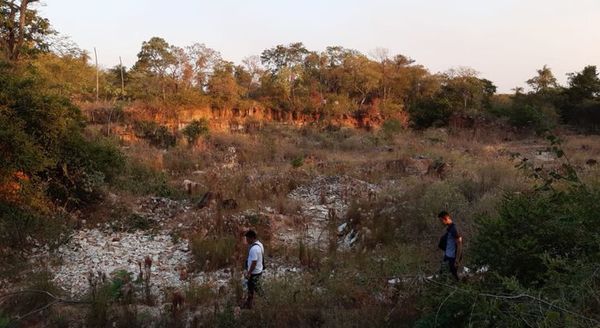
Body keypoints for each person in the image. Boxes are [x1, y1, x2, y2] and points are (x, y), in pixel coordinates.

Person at [438, 211, 462, 281]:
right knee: (443, 274)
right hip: (448, 256)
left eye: (441, 220)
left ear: (445, 218)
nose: (441, 223)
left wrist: (457, 260)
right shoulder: (449, 228)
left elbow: (460, 244)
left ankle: (460, 287)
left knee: (452, 275)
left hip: (452, 258)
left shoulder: (454, 229)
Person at [243, 230, 264, 309]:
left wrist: (249, 273)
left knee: (252, 289)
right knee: (255, 288)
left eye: (247, 239)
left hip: (254, 272)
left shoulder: (253, 249)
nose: (246, 240)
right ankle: (249, 303)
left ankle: (249, 305)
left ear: (252, 238)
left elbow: (254, 262)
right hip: (259, 271)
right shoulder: (260, 245)